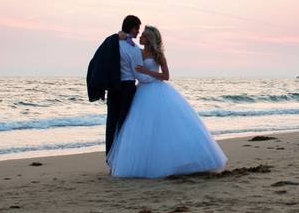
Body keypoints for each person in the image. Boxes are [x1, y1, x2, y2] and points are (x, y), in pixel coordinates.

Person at [108, 26, 227, 178]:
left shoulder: (158, 55)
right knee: (141, 128)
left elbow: (166, 76)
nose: (140, 37)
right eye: (141, 35)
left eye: (144, 36)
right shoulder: (137, 51)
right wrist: (122, 36)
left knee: (162, 127)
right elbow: (123, 42)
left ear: (150, 38)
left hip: (157, 89)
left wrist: (147, 71)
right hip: (142, 90)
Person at [86, 15, 143, 157]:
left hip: (113, 87)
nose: (138, 32)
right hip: (128, 89)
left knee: (111, 123)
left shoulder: (112, 42)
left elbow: (97, 60)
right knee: (124, 123)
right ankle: (122, 157)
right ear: (132, 28)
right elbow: (137, 75)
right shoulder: (134, 49)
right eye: (137, 28)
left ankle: (110, 157)